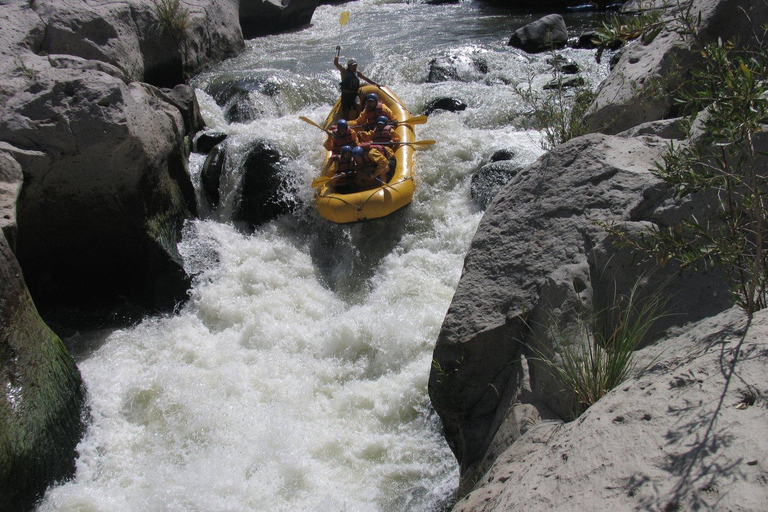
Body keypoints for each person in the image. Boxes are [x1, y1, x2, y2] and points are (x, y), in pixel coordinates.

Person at [334, 47, 375, 120]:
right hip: (346, 95)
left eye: (355, 66)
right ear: (349, 66)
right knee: (346, 111)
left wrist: (376, 84)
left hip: (354, 94)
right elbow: (336, 63)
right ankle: (345, 124)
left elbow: (366, 79)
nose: (354, 67)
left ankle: (359, 119)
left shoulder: (357, 73)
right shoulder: (344, 72)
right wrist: (338, 52)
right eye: (353, 66)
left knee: (358, 104)